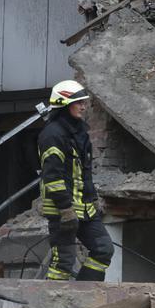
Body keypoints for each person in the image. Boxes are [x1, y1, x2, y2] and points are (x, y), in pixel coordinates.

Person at [37, 80, 113, 281]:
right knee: (63, 262)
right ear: (64, 104)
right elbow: (52, 178)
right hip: (63, 211)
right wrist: (65, 209)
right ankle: (52, 307)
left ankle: (84, 297)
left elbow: (85, 173)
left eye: (84, 102)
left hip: (85, 208)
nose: (83, 106)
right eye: (78, 102)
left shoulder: (81, 133)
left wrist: (93, 199)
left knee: (104, 249)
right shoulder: (52, 135)